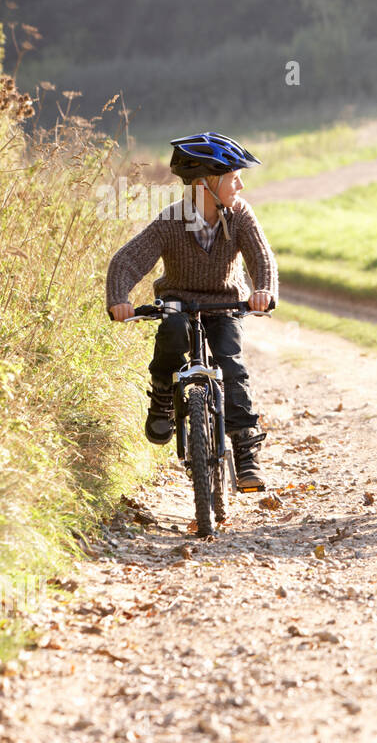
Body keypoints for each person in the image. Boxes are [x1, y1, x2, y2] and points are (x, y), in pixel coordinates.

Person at [106, 131, 278, 490]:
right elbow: (129, 259)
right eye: (234, 178)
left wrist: (262, 290)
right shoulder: (172, 220)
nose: (241, 185)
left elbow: (262, 257)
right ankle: (163, 394)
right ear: (204, 185)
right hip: (178, 301)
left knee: (231, 366)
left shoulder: (240, 215)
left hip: (225, 304)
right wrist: (119, 298)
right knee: (171, 333)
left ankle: (245, 451)